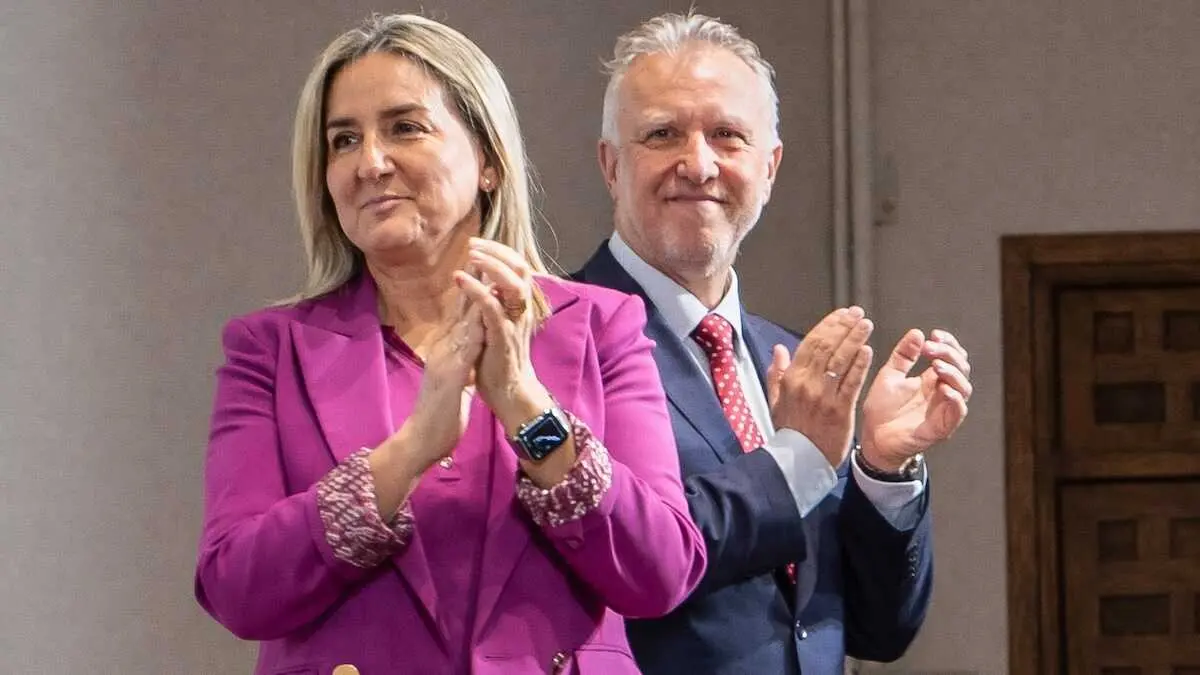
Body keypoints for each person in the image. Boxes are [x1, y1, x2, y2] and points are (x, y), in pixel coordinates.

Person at [194, 13, 706, 675]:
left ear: (487, 160)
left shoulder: (601, 325)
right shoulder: (269, 349)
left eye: (405, 127)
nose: (370, 162)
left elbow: (660, 571)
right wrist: (407, 453)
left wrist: (524, 406)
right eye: (344, 140)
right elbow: (236, 588)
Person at [573, 12, 973, 675]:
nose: (698, 164)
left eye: (727, 136)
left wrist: (881, 469)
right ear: (611, 165)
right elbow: (632, 555)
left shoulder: (790, 359)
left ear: (770, 168)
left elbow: (878, 630)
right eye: (663, 134)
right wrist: (795, 458)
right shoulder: (559, 340)